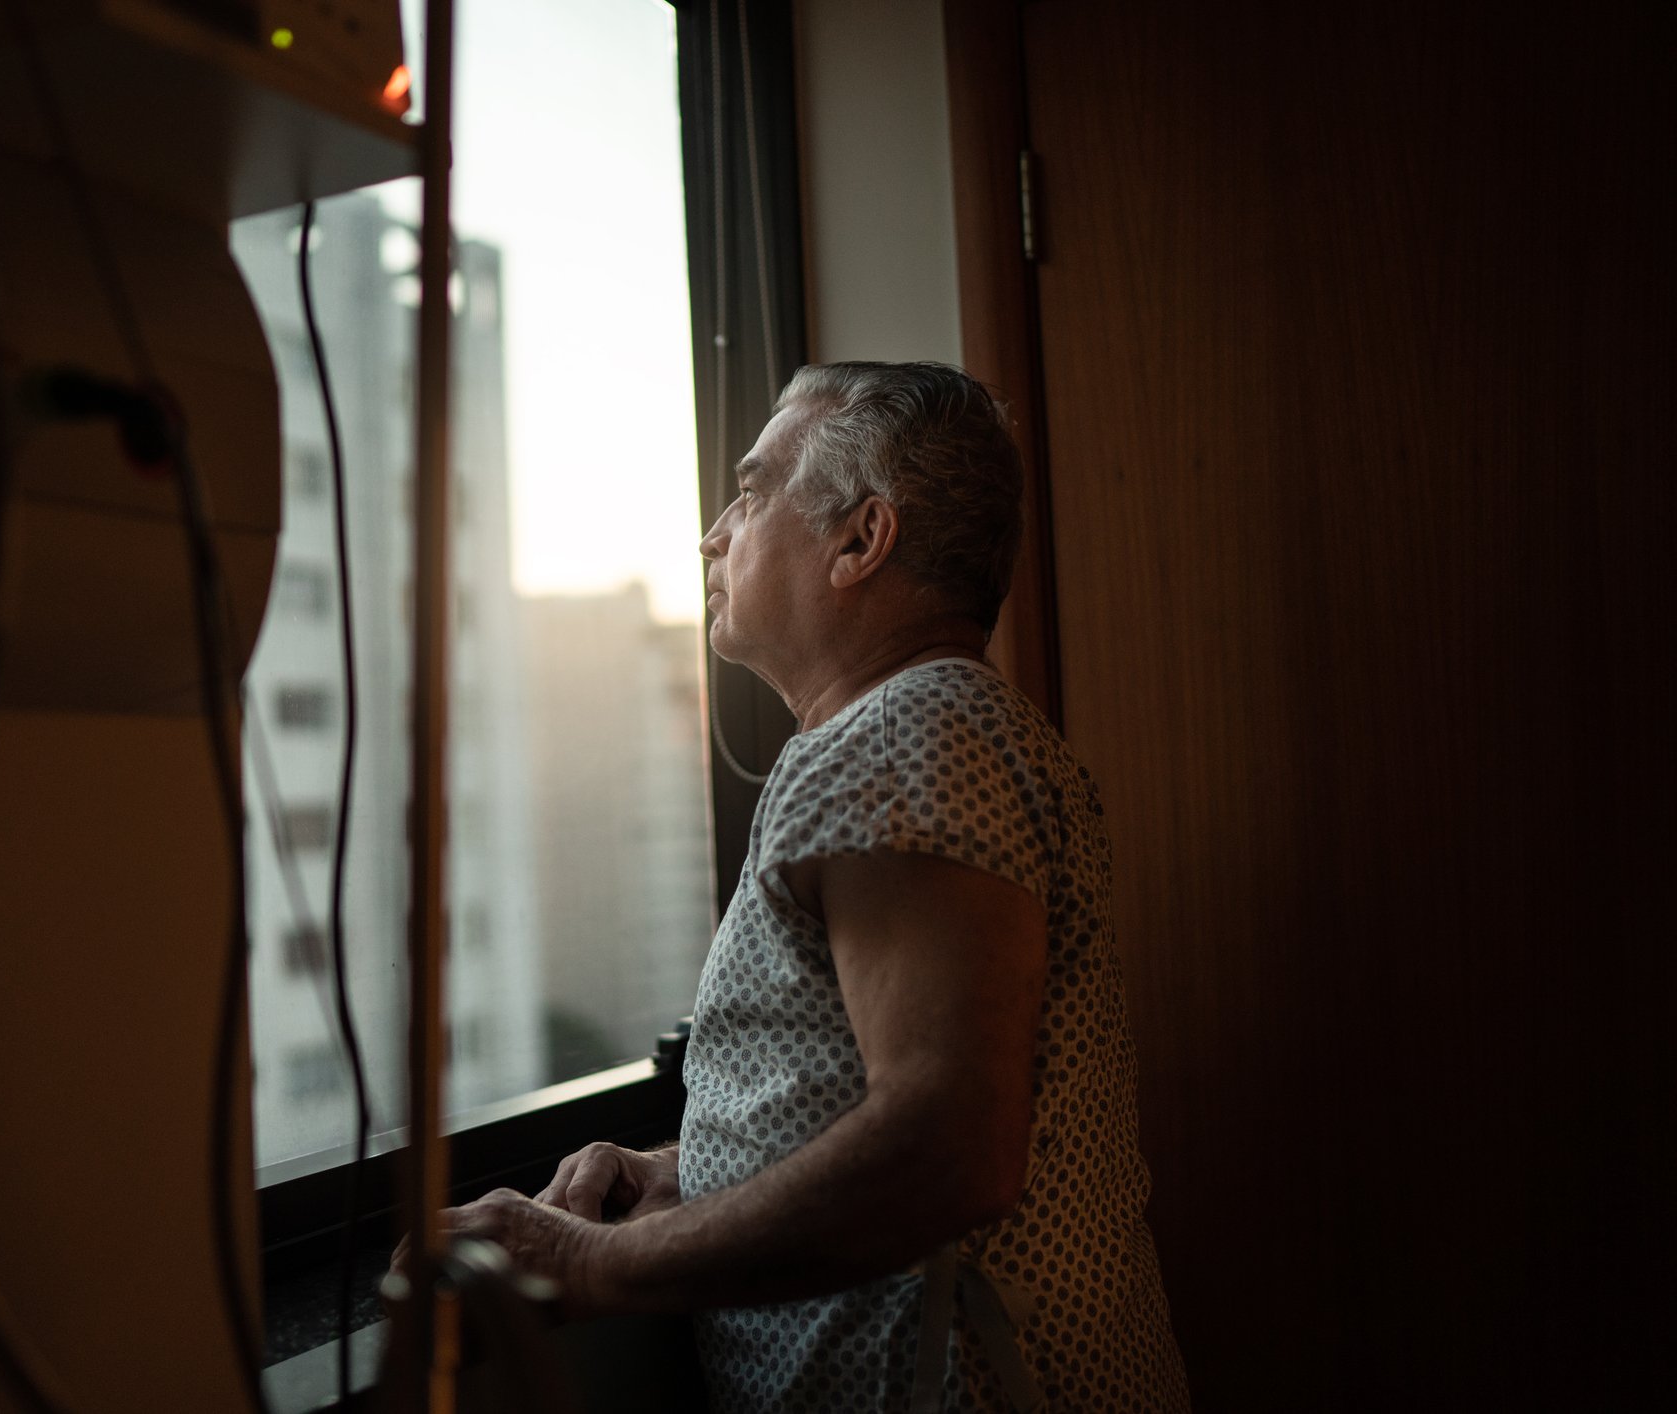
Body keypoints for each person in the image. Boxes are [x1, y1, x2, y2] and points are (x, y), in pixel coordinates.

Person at [428, 362, 1189, 1412]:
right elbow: (857, 1085)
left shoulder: (903, 735)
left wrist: (587, 1263)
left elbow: (946, 1150)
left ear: (858, 541)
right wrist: (689, 1168)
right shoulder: (932, 729)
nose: (712, 532)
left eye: (748, 492)